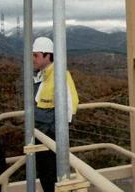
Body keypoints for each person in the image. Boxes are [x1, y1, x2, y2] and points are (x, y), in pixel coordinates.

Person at [32, 37, 79, 192]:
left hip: (52, 139)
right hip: (41, 137)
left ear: (47, 55)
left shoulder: (60, 75)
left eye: (36, 55)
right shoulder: (41, 75)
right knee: (45, 177)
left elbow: (71, 106)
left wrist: (54, 130)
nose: (33, 59)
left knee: (52, 178)